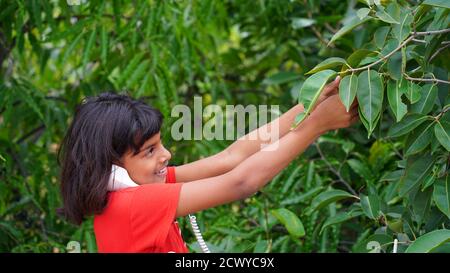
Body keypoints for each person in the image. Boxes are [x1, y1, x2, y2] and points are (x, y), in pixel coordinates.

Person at [58, 76, 359, 252]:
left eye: (160, 144)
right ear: (112, 164)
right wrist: (316, 126)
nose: (166, 155)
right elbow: (241, 182)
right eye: (149, 151)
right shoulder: (133, 206)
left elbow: (231, 159)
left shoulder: (138, 188)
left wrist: (309, 107)